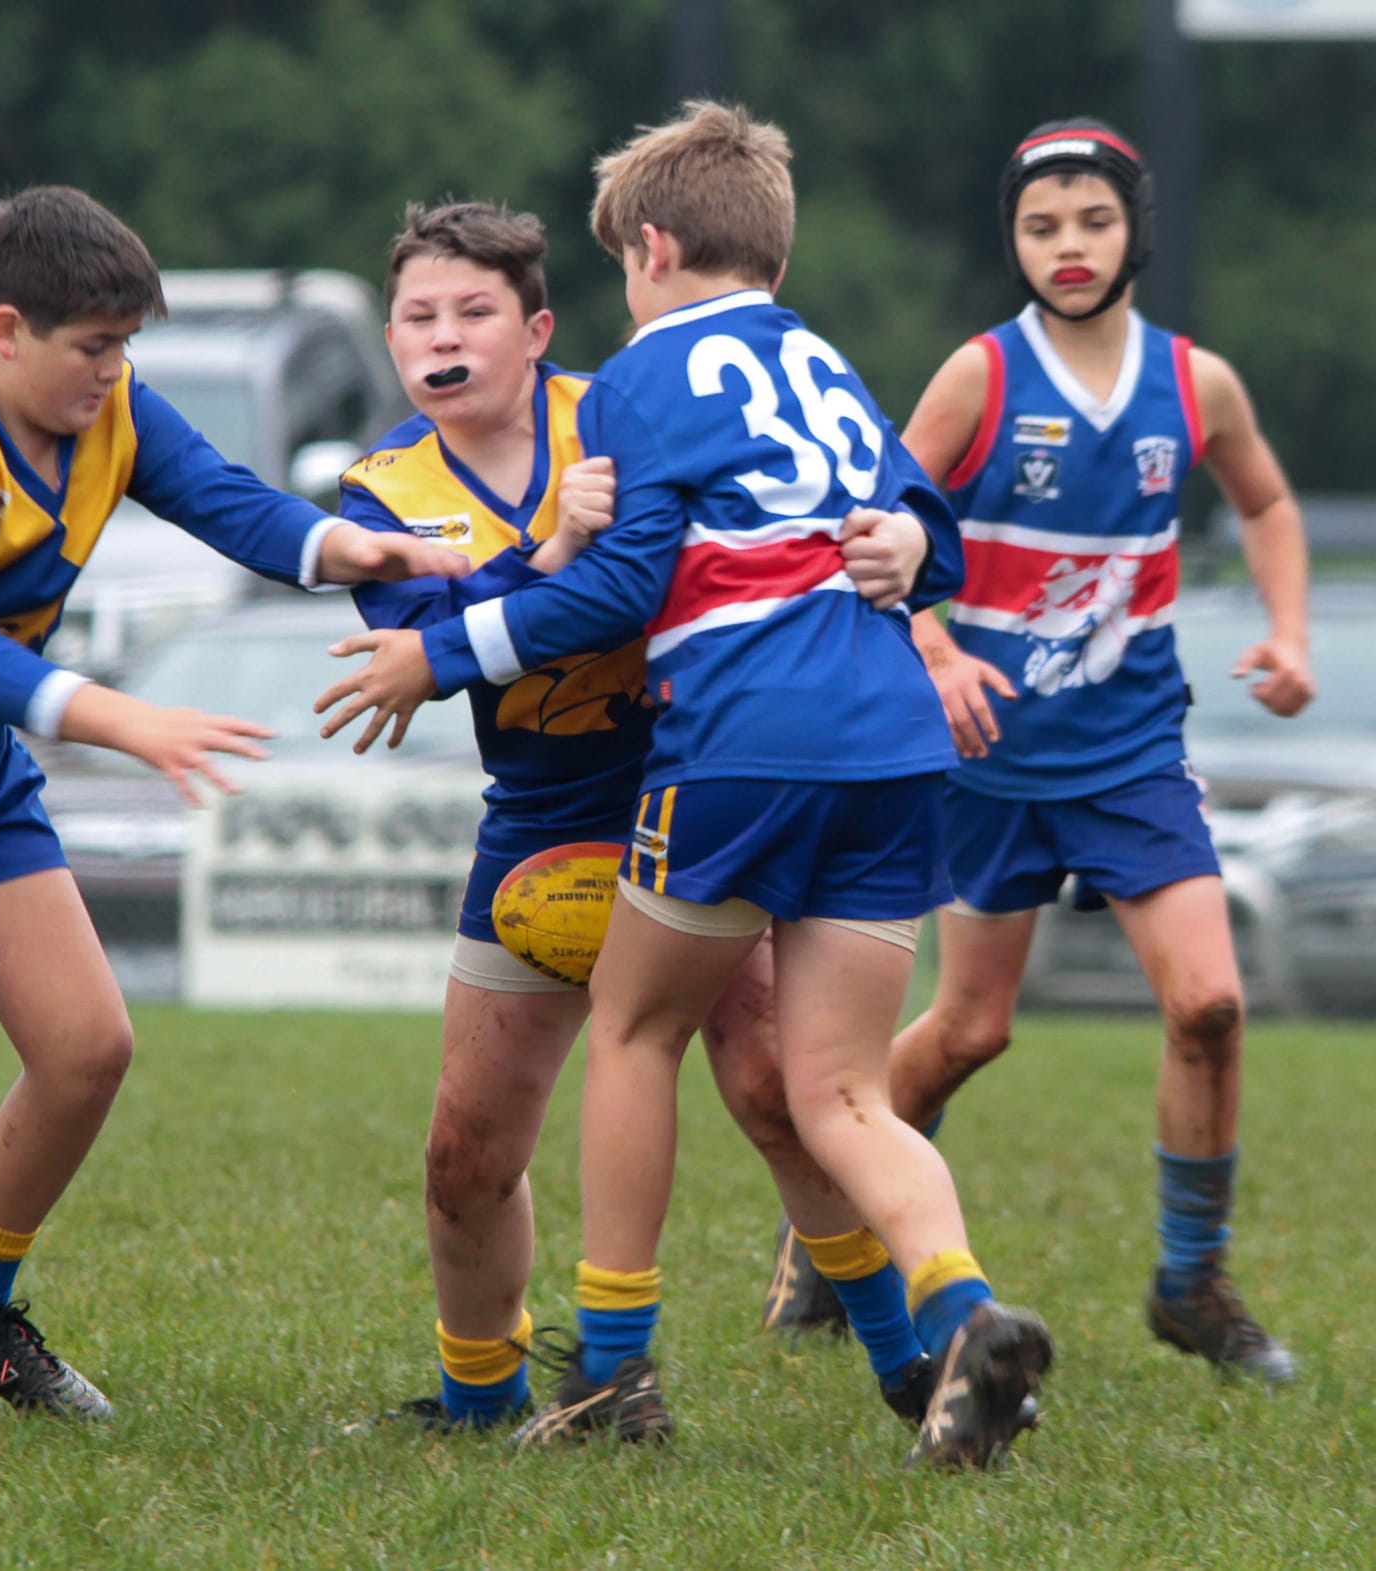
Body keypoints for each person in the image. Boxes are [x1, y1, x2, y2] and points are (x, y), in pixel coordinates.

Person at [319, 103, 1053, 1469]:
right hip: (892, 742)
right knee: (840, 1092)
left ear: (650, 247)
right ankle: (959, 1305)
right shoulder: (826, 360)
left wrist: (439, 654)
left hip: (742, 743)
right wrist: (911, 544)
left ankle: (608, 1367)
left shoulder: (641, 377)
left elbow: (618, 586)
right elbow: (930, 531)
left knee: (637, 1032)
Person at [0, 184, 469, 1423]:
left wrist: (357, 548)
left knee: (86, 1047)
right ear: (5, 330)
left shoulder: (112, 406)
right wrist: (119, 716)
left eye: (123, 345)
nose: (114, 370)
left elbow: (227, 500)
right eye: (93, 347)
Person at [872, 119, 1309, 1382]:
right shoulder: (977, 377)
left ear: (1134, 231)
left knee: (1210, 1005)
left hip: (1130, 757)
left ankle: (1188, 1283)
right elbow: (883, 531)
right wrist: (940, 655)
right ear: (1011, 241)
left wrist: (1287, 632)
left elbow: (1268, 502)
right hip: (991, 763)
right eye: (1040, 225)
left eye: (1092, 220)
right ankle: (836, 1224)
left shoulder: (1195, 383)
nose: (1067, 246)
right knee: (965, 1029)